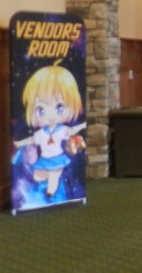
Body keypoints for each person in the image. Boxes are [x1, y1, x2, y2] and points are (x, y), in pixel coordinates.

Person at [13, 63, 87, 199]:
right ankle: (50, 182)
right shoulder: (41, 133)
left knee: (54, 176)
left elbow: (72, 132)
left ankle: (51, 189)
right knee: (38, 176)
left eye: (59, 107)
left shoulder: (62, 129)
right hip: (45, 160)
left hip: (58, 158)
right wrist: (21, 144)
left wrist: (82, 127)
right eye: (41, 109)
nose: (50, 115)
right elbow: (32, 139)